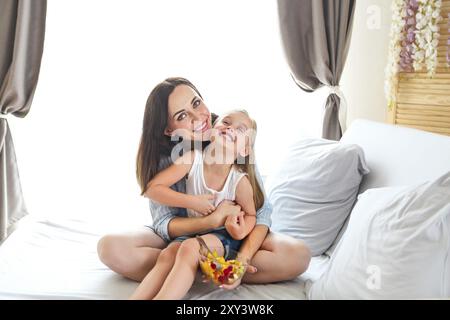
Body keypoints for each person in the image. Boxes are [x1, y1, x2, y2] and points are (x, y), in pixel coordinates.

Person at [97, 77, 310, 289]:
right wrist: (212, 220)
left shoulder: (228, 134)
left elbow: (260, 213)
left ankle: (199, 271)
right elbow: (163, 223)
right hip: (182, 237)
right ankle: (191, 269)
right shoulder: (168, 158)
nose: (198, 117)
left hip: (226, 239)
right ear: (169, 130)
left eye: (196, 103)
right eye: (182, 115)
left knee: (297, 255)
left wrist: (242, 261)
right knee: (110, 247)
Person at [130, 110, 261, 299]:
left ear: (245, 150)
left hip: (224, 236)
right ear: (211, 131)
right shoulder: (193, 159)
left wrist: (240, 231)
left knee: (190, 248)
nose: (230, 127)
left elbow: (251, 215)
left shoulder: (239, 181)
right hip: (195, 232)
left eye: (240, 130)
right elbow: (151, 188)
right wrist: (193, 202)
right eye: (225, 121)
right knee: (168, 254)